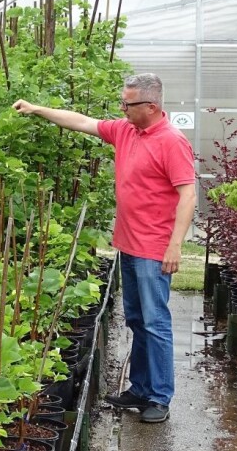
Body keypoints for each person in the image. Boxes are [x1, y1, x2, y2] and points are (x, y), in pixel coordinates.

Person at [13, 73, 196, 423]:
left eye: (127, 104)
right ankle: (140, 389)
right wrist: (37, 109)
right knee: (138, 319)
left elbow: (188, 194)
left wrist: (176, 246)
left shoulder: (172, 141)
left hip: (154, 248)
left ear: (151, 106)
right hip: (128, 243)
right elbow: (82, 121)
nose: (121, 108)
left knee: (155, 322)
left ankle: (159, 397)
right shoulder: (126, 130)